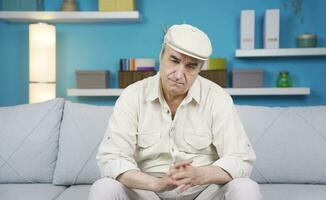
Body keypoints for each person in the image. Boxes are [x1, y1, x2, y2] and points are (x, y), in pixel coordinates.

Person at [89, 24, 261, 200]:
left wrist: (201, 174)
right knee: (105, 188)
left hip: (203, 192)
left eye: (191, 66)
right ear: (161, 55)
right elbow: (111, 158)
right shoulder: (132, 96)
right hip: (148, 191)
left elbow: (241, 159)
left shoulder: (218, 98)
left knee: (245, 188)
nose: (179, 74)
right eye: (174, 60)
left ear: (200, 68)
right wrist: (157, 184)